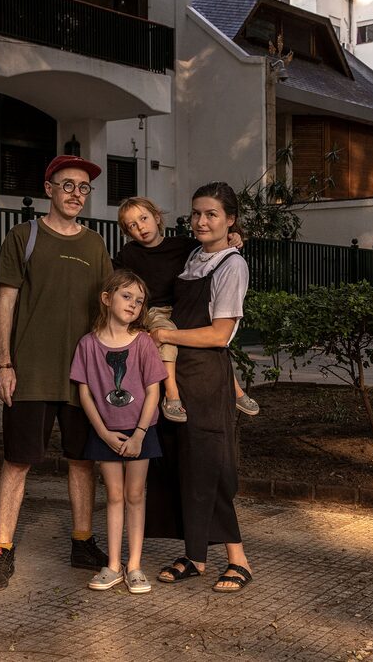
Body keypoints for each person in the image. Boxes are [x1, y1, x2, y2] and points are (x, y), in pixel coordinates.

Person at [0, 155, 113, 591]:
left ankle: (81, 542)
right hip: (30, 374)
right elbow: (6, 304)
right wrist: (4, 363)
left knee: (82, 461)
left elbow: (111, 308)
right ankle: (3, 551)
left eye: (84, 188)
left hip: (82, 378)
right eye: (68, 185)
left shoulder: (95, 245)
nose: (76, 193)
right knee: (18, 462)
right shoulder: (25, 236)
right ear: (49, 189)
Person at [145, 181, 255, 593]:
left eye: (211, 214)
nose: (201, 221)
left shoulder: (232, 265)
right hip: (177, 374)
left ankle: (238, 559)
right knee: (181, 464)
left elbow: (219, 334)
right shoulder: (193, 256)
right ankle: (195, 555)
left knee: (210, 466)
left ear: (230, 220)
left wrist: (167, 337)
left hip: (207, 376)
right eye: (196, 213)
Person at [113, 197, 259, 422]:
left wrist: (234, 236)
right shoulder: (129, 254)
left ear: (157, 217)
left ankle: (236, 390)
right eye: (132, 225)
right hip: (155, 312)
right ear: (126, 231)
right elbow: (112, 279)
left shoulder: (182, 245)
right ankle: (172, 395)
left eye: (143, 218)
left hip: (181, 305)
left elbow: (211, 247)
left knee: (207, 340)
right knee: (167, 337)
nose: (140, 227)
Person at [70, 271, 168, 594]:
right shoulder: (87, 344)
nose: (133, 305)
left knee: (135, 495)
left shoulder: (143, 343)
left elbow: (154, 391)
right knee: (113, 495)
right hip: (105, 432)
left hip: (141, 430)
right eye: (127, 296)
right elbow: (85, 394)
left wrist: (140, 433)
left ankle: (135, 565)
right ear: (106, 298)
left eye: (139, 301)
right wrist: (104, 434)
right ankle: (113, 565)